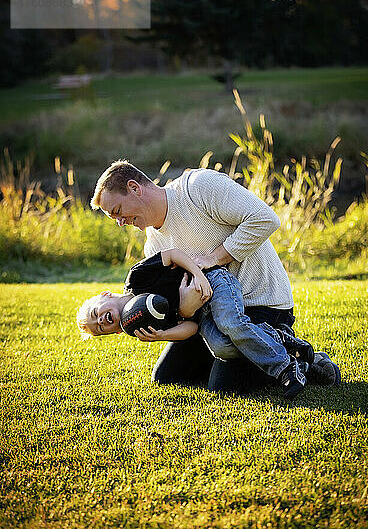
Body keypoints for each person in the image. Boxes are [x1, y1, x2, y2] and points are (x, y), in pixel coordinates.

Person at [89, 160, 341, 393]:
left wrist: (212, 259)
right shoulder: (153, 248)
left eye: (118, 211)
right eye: (114, 218)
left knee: (223, 387)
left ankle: (299, 356)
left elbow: (265, 219)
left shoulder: (198, 188)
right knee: (168, 376)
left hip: (261, 305)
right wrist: (185, 313)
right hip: (211, 316)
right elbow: (184, 304)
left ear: (134, 188)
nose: (120, 222)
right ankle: (240, 356)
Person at [77, 248, 317, 399]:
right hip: (202, 316)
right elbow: (191, 328)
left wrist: (200, 273)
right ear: (114, 332)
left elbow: (173, 254)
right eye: (100, 328)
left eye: (97, 313)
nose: (101, 321)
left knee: (231, 323)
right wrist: (162, 335)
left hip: (212, 282)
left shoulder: (136, 277)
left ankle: (285, 368)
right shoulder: (138, 326)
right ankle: (278, 337)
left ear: (106, 295)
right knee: (222, 348)